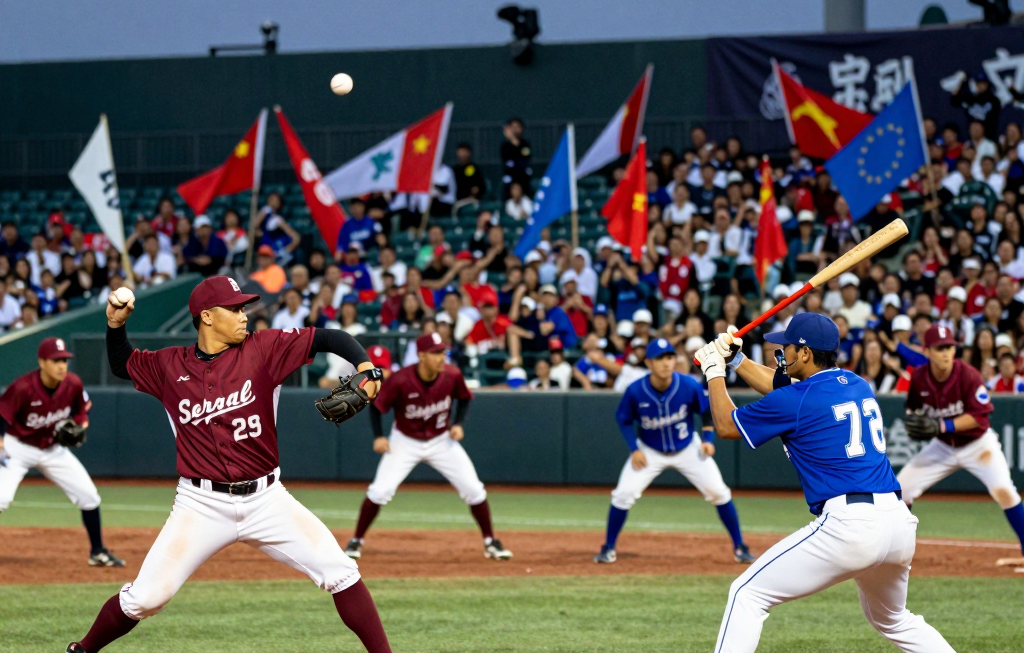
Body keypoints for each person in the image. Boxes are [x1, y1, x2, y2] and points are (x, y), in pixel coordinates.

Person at [69, 276, 392, 653]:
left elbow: (327, 337)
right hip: (200, 505)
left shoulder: (265, 349)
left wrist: (367, 367)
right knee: (145, 598)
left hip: (268, 499)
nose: (244, 315)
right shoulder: (170, 366)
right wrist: (115, 324)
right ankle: (81, 650)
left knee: (341, 572)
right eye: (235, 308)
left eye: (244, 307)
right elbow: (124, 364)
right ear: (206, 316)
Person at [696, 315, 955, 653]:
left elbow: (728, 426)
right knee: (895, 619)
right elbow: (786, 392)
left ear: (805, 353)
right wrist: (738, 361)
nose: (781, 352)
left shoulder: (798, 399)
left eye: (786, 347)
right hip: (898, 524)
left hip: (851, 525)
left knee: (747, 594)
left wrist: (714, 371)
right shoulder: (856, 382)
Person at [346, 332, 513, 562]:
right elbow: (376, 407)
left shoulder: (452, 375)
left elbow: (464, 398)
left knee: (474, 489)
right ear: (421, 355)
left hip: (441, 440)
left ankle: (490, 541)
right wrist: (379, 436)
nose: (441, 357)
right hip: (405, 441)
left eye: (443, 352)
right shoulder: (401, 380)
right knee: (380, 491)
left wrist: (459, 424)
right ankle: (356, 540)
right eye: (435, 353)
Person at [595, 338, 753, 565]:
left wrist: (708, 439)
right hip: (650, 451)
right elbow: (623, 420)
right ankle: (607, 548)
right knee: (622, 494)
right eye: (660, 359)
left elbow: (707, 413)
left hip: (687, 447)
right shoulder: (635, 391)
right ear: (648, 362)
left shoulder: (688, 385)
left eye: (669, 357)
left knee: (719, 492)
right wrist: (634, 449)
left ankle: (740, 546)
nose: (666, 363)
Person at [898, 324, 1024, 563]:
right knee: (901, 489)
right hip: (943, 447)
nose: (945, 353)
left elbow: (980, 416)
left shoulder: (968, 375)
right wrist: (914, 419)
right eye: (939, 348)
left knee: (1005, 492)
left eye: (949, 347)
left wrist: (941, 426)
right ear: (927, 351)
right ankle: (898, 550)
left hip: (978, 445)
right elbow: (912, 407)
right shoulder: (920, 377)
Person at [0, 337, 123, 567]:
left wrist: (80, 425)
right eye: (56, 360)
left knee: (89, 496)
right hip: (18, 448)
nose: (61, 366)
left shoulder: (73, 384)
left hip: (52, 449)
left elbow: (81, 412)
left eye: (64, 360)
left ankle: (98, 553)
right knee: (1, 498)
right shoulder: (22, 387)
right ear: (42, 362)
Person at [500, 118, 532, 197]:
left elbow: (525, 160)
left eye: (517, 127)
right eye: (513, 127)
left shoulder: (525, 144)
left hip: (523, 179)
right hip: (510, 178)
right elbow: (507, 161)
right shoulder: (505, 146)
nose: (515, 129)